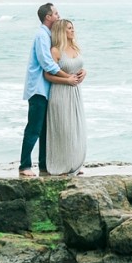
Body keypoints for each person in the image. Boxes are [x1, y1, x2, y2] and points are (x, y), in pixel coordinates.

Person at [18, 3, 83, 177]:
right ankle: (24, 165)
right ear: (48, 17)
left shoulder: (50, 36)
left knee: (46, 130)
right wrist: (66, 77)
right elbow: (47, 63)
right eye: (56, 13)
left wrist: (73, 75)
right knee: (34, 128)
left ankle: (45, 166)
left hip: (49, 90)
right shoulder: (42, 36)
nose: (58, 16)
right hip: (38, 89)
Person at [44, 19, 87, 176]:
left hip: (75, 93)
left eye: (73, 28)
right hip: (60, 93)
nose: (73, 30)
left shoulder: (74, 47)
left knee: (76, 129)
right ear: (62, 31)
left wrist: (84, 72)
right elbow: (47, 74)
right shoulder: (55, 51)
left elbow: (78, 66)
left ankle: (75, 164)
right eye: (69, 28)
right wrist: (66, 80)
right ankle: (61, 166)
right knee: (63, 130)